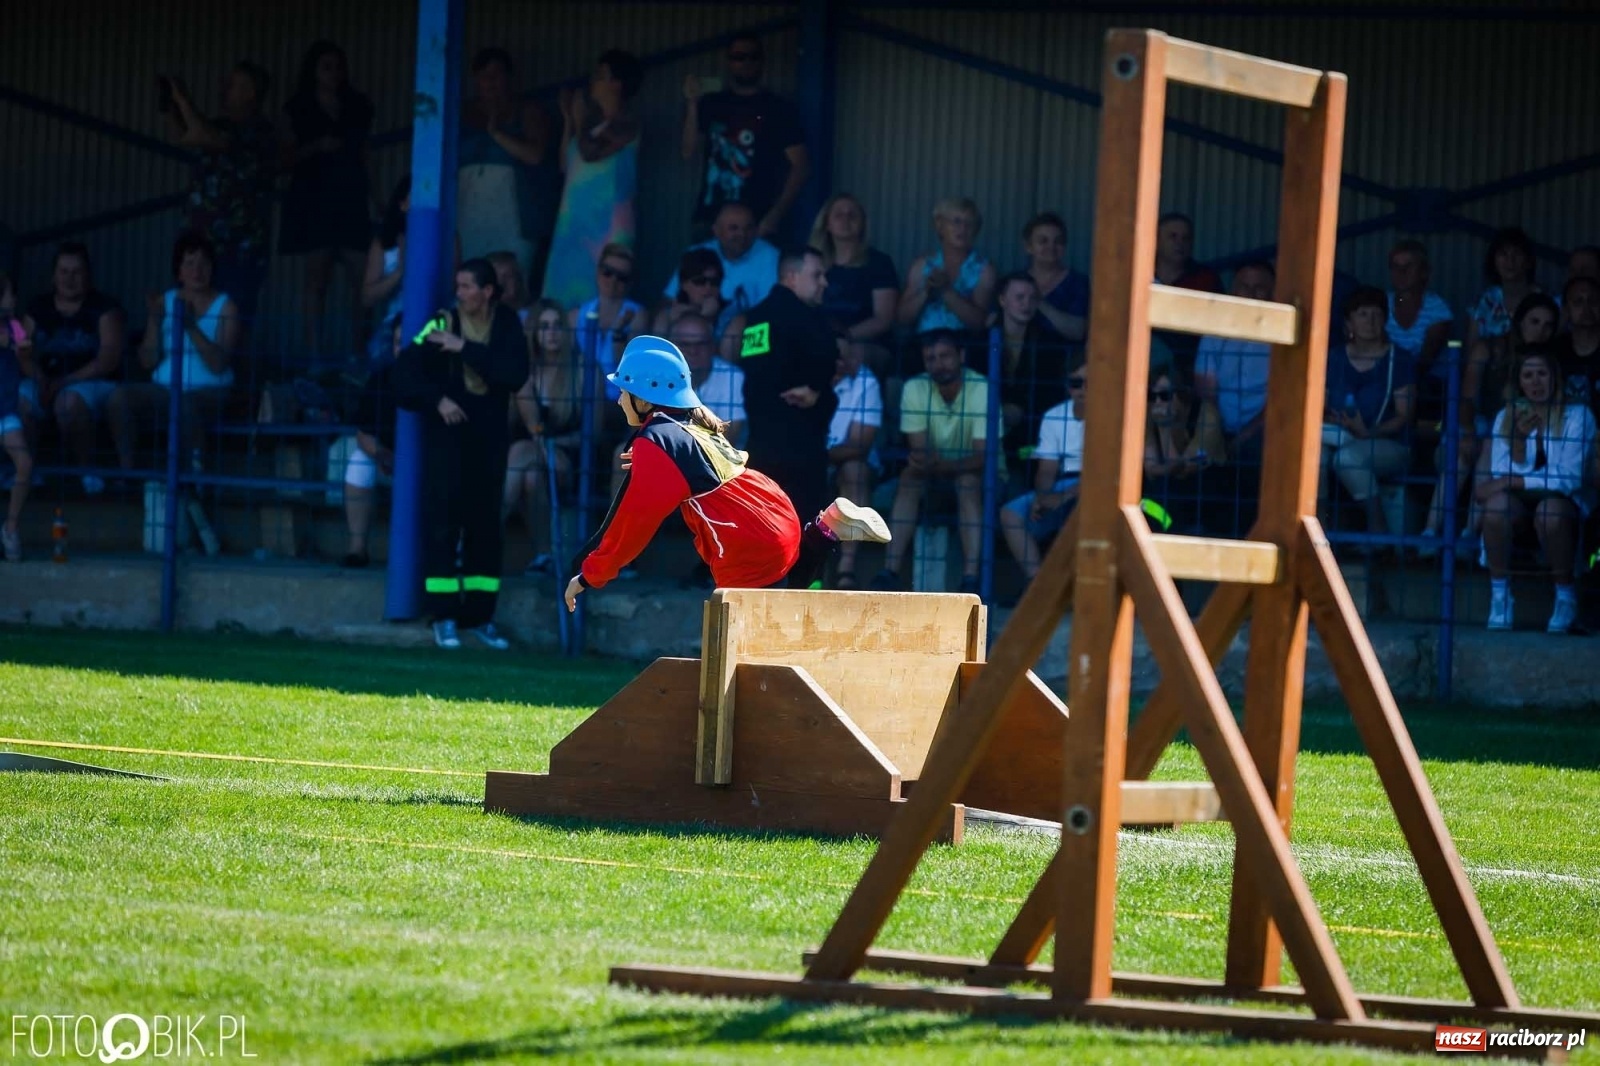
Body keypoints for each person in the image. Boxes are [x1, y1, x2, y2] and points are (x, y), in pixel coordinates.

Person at [563, 337, 887, 612]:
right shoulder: (688, 424)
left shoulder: (657, 443)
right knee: (787, 591)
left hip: (747, 537)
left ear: (645, 398)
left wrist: (590, 575)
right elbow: (686, 468)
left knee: (752, 638)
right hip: (775, 511)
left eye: (624, 390)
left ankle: (825, 530)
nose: (619, 400)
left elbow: (632, 526)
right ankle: (824, 529)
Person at [391, 259, 531, 650]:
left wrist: (464, 348)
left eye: (468, 286)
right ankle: (444, 616)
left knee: (486, 529)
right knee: (443, 525)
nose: (460, 293)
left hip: (488, 445)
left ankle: (480, 618)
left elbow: (513, 373)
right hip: (448, 444)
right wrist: (437, 399)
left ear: (487, 292)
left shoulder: (506, 323)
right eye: (459, 285)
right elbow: (403, 375)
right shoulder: (440, 323)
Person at [1421, 292, 1559, 553]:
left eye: (1548, 325)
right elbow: (1467, 400)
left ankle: (1468, 534)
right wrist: (1469, 433)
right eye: (1535, 321)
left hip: (1519, 437)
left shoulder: (1551, 360)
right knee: (1462, 453)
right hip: (1479, 423)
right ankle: (1430, 532)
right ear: (1519, 322)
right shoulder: (1488, 347)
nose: (1541, 331)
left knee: (1488, 447)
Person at [1478, 346, 1596, 634]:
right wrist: (1518, 441)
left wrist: (1512, 482)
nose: (1535, 382)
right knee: (1495, 509)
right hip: (1519, 507)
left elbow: (1568, 479)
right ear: (1519, 381)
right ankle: (1500, 597)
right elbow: (1500, 475)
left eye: (1542, 374)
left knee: (1549, 512)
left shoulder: (1578, 415)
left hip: (1565, 507)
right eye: (1528, 375)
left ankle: (1565, 596)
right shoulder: (1506, 417)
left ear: (1554, 378)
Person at [873, 330, 995, 594]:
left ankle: (971, 577)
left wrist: (939, 463)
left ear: (961, 356)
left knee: (967, 482)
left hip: (982, 479)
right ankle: (890, 570)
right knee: (909, 478)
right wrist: (937, 463)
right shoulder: (915, 387)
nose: (938, 364)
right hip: (936, 476)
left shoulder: (982, 388)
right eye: (931, 358)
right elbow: (920, 455)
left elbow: (983, 459)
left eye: (945, 356)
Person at [108, 233, 240, 476]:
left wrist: (190, 326)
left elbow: (219, 364)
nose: (197, 270)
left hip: (210, 392)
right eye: (189, 263)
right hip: (165, 389)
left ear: (212, 269)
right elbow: (147, 361)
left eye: (204, 264)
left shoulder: (226, 306)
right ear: (178, 271)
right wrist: (154, 322)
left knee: (186, 403)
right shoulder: (165, 301)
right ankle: (128, 472)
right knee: (120, 397)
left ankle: (196, 478)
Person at [279, 41, 376, 364]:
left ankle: (358, 351)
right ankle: (314, 355)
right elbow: (285, 157)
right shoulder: (298, 108)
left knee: (362, 278)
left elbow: (365, 154)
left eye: (339, 66)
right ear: (313, 70)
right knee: (316, 279)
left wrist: (375, 197)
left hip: (350, 196)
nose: (334, 73)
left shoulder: (358, 105)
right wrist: (317, 146)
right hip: (314, 197)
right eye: (326, 66)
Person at [163, 62, 276, 333]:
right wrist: (169, 104)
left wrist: (183, 99)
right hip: (202, 241)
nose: (225, 89)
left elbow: (204, 135)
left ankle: (233, 374)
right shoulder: (219, 125)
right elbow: (186, 135)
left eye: (234, 84)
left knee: (232, 322)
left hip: (239, 246)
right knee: (190, 313)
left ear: (251, 93)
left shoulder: (258, 131)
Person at [737, 246, 839, 526]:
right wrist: (819, 392)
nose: (824, 283)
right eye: (817, 275)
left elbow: (754, 370)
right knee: (807, 533)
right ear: (792, 277)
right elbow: (828, 357)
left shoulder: (756, 317)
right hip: (803, 451)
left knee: (760, 532)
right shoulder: (812, 320)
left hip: (761, 447)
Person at [17, 243, 126, 494]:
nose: (69, 278)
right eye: (63, 271)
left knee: (68, 403)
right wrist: (40, 377)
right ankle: (28, 471)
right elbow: (21, 353)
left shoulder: (105, 308)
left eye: (76, 272)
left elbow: (108, 360)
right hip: (44, 379)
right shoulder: (36, 308)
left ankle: (86, 471)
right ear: (54, 275)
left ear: (88, 275)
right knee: (21, 400)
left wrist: (62, 383)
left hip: (92, 382)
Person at [681, 34, 810, 239]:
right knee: (701, 271)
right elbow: (688, 151)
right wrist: (692, 103)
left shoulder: (779, 109)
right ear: (729, 62)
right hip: (711, 217)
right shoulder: (711, 103)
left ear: (762, 61)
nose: (746, 62)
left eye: (753, 56)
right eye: (739, 57)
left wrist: (775, 215)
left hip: (757, 221)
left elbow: (801, 166)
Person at [542, 49, 642, 310]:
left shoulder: (628, 123)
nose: (592, 82)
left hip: (607, 228)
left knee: (601, 299)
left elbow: (590, 152)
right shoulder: (589, 125)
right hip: (573, 226)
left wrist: (579, 120)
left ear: (617, 84)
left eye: (600, 76)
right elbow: (567, 165)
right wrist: (569, 121)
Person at [1321, 287, 1417, 539]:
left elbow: (1404, 415)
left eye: (1376, 314)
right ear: (1349, 321)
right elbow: (1320, 404)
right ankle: (1318, 531)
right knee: (1315, 456)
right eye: (1362, 314)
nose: (1370, 321)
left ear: (1385, 320)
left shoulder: (1400, 360)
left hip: (1388, 444)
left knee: (1347, 459)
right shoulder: (1333, 357)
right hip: (1337, 436)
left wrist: (1369, 432)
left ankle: (1379, 531)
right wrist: (1334, 420)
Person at [457, 48, 557, 282]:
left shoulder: (527, 110)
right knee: (470, 281)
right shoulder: (462, 113)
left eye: (497, 75)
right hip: (467, 213)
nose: (490, 82)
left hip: (513, 216)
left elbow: (535, 155)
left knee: (510, 281)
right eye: (484, 76)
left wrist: (497, 134)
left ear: (509, 78)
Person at [506, 300, 583, 576]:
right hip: (536, 455)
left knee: (520, 453)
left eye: (557, 326)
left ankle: (483, 533)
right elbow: (532, 427)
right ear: (535, 332)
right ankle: (544, 555)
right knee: (530, 475)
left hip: (570, 460)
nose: (551, 333)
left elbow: (592, 435)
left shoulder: (583, 371)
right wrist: (543, 445)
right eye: (544, 326)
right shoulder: (525, 372)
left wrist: (555, 446)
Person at [1000, 359, 1085, 583]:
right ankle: (1039, 586)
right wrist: (1042, 497)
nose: (1083, 389)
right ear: (1068, 386)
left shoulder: (1110, 414)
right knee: (1010, 514)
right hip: (1063, 483)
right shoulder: (1054, 415)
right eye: (1077, 383)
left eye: (1090, 383)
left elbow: (1104, 476)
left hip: (1097, 489)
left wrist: (1063, 497)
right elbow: (1047, 470)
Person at [1194, 261, 1276, 465]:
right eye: (1244, 287)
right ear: (1232, 291)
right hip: (1218, 425)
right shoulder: (1215, 332)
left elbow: (1280, 402)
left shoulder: (1280, 337)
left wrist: (1243, 439)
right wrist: (1217, 433)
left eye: (1259, 288)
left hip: (1264, 429)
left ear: (1272, 293)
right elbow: (1206, 391)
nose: (1250, 294)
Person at [334, 319, 400, 569]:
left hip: (427, 467)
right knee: (358, 462)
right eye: (396, 343)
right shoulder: (381, 379)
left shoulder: (439, 378)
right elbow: (362, 434)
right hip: (388, 463)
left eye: (405, 343)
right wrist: (382, 455)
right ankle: (357, 548)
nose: (400, 349)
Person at [662, 202, 780, 335]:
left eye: (749, 228)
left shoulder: (770, 256)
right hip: (695, 327)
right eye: (733, 228)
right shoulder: (696, 253)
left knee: (738, 326)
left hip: (748, 334)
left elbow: (771, 311)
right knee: (662, 319)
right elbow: (669, 299)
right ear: (716, 231)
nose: (742, 234)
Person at [810, 194, 898, 371]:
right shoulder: (813, 262)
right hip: (818, 339)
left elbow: (883, 319)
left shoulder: (879, 263)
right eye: (839, 215)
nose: (846, 219)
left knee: (851, 354)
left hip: (866, 344)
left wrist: (845, 336)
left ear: (863, 224)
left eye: (853, 215)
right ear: (827, 223)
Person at [1143, 365, 1226, 535]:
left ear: (1182, 396)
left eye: (1164, 396)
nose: (1157, 403)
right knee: (1150, 496)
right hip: (1166, 491)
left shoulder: (1206, 415)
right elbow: (1151, 470)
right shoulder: (1150, 414)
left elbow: (1184, 469)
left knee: (1170, 488)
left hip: (1207, 489)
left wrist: (1165, 428)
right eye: (1152, 396)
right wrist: (1161, 425)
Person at [994, 272, 1068, 462]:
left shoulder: (1049, 345)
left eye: (1032, 298)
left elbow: (1051, 393)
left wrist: (1022, 411)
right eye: (1019, 297)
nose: (1026, 304)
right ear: (1002, 300)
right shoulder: (982, 340)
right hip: (989, 431)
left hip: (1031, 433)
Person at [827, 338, 883, 588]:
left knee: (854, 471)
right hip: (812, 460)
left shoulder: (866, 382)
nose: (843, 362)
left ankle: (845, 567)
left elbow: (860, 445)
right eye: (836, 356)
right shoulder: (804, 375)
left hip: (850, 462)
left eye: (848, 356)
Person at [897, 197, 996, 335]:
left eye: (969, 224)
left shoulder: (984, 270)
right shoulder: (922, 265)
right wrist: (925, 292)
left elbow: (980, 323)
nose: (962, 228)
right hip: (924, 346)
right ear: (940, 226)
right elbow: (901, 319)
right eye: (956, 221)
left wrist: (946, 292)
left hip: (963, 348)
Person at [1152, 212, 1221, 374]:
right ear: (1156, 240)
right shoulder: (1138, 274)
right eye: (1173, 237)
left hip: (1189, 363)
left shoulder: (1206, 278)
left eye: (1186, 238)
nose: (1180, 243)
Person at [650, 247, 746, 363]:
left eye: (714, 282)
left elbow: (724, 365)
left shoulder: (732, 316)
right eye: (700, 282)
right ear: (684, 284)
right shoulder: (667, 316)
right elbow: (656, 362)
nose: (708, 288)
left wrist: (706, 321)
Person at [1466, 227, 1546, 353]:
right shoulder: (1484, 302)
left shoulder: (1544, 300)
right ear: (1494, 261)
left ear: (1529, 261)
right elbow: (1471, 353)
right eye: (1503, 254)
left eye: (1517, 253)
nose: (1510, 261)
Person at [1385, 239, 1454, 380]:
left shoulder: (1437, 307)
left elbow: (1427, 358)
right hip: (1387, 381)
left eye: (1408, 266)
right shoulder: (1382, 303)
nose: (1401, 272)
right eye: (1395, 267)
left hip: (1428, 384)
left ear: (1424, 272)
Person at [362, 177, 413, 361]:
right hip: (394, 324)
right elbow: (367, 298)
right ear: (402, 204)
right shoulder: (384, 243)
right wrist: (400, 271)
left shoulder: (448, 238)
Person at [1020, 212, 1089, 344]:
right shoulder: (1014, 281)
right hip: (1019, 361)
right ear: (1028, 247)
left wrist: (1039, 303)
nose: (1051, 247)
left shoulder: (1078, 283)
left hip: (1068, 362)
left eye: (1058, 241)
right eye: (1043, 241)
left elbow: (1079, 331)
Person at [1, 273, 31, 562]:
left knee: (24, 463)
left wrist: (22, 345)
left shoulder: (15, 325)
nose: (13, 299)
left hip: (6, 411)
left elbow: (25, 349)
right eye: (10, 293)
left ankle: (10, 527)